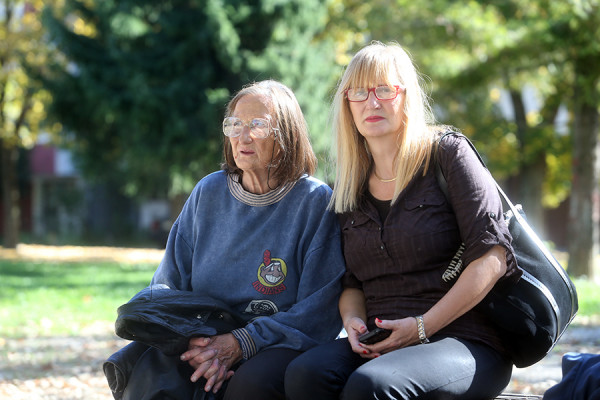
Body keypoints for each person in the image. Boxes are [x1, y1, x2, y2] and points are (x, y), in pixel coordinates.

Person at [285, 41, 522, 399]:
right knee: (305, 374)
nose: (372, 102)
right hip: (382, 342)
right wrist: (352, 322)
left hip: (464, 339)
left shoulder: (447, 154)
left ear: (406, 96)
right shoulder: (348, 186)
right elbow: (351, 284)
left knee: (372, 386)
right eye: (359, 92)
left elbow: (492, 258)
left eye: (384, 89)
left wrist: (422, 328)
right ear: (347, 105)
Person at [116, 80, 345, 400]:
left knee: (249, 384)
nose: (243, 135)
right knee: (148, 373)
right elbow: (169, 281)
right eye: (234, 124)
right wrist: (192, 341)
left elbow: (317, 310)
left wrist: (242, 342)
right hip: (201, 336)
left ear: (287, 135)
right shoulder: (208, 193)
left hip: (276, 342)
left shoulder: (314, 202)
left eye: (257, 125)